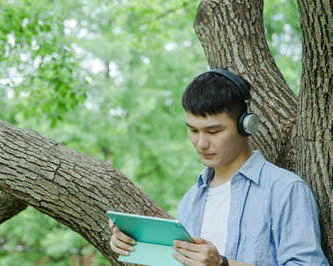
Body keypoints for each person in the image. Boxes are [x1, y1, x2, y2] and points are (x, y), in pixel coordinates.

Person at [109, 69, 329, 265]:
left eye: (213, 132)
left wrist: (223, 264)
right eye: (193, 131)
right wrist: (135, 248)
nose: (201, 143)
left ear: (246, 125)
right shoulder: (190, 200)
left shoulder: (286, 189)